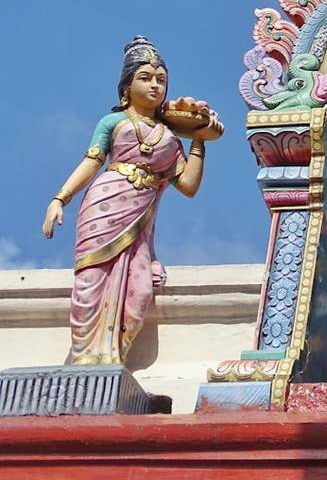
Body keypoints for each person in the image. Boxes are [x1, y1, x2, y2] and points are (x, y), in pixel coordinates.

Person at [41, 36, 222, 365]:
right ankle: (85, 361)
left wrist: (198, 141)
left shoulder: (169, 137)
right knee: (90, 283)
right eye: (146, 78)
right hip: (104, 205)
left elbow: (188, 185)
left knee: (139, 292)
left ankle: (113, 361)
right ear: (126, 86)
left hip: (140, 219)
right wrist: (60, 198)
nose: (155, 85)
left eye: (161, 80)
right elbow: (91, 162)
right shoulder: (113, 122)